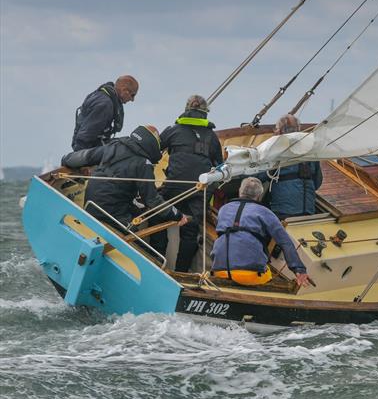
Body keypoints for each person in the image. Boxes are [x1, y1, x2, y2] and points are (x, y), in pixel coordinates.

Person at [149, 95, 223, 272]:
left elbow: (153, 150)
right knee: (190, 232)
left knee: (157, 216)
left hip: (174, 187)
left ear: (186, 108)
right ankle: (182, 272)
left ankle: (157, 261)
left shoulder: (174, 130)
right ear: (205, 112)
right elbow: (219, 165)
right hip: (198, 191)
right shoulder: (212, 137)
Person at [83, 125, 188, 229]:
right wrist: (177, 215)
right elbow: (152, 200)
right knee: (138, 239)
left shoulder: (115, 145)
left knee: (136, 212)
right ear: (152, 144)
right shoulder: (144, 164)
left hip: (90, 204)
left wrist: (66, 160)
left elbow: (86, 156)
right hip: (109, 212)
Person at [211, 177, 310, 287]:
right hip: (249, 275)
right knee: (268, 272)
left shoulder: (224, 209)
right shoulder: (265, 212)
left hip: (219, 270)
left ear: (240, 191)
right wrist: (299, 269)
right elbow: (285, 242)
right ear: (259, 196)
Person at [268, 114, 323, 219]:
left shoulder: (274, 150)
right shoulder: (310, 150)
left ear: (279, 131)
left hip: (283, 210)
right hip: (307, 209)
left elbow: (261, 176)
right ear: (299, 129)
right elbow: (317, 182)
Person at [72, 75, 139, 151]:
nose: (132, 99)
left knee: (125, 144)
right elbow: (86, 136)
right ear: (124, 90)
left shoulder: (103, 97)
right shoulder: (105, 105)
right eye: (132, 95)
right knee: (126, 150)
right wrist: (82, 158)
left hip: (88, 147)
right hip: (84, 150)